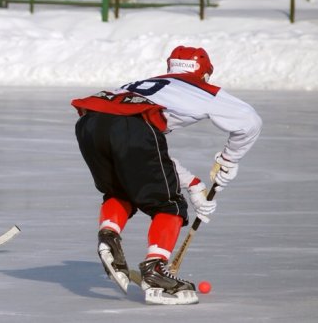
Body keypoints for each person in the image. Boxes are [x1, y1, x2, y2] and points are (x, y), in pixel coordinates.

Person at [71, 46, 262, 305]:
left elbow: (149, 155)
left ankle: (109, 236)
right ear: (204, 73)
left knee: (122, 190)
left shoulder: (142, 84)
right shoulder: (204, 90)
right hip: (131, 129)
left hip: (91, 123)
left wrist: (194, 185)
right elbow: (249, 121)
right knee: (169, 206)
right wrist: (229, 160)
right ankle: (155, 271)